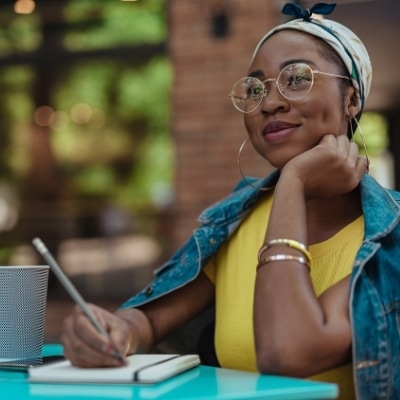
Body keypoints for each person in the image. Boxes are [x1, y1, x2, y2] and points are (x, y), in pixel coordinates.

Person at [60, 3, 400, 399]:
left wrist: (292, 183)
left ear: (352, 100)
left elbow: (287, 352)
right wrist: (111, 333)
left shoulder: (391, 238)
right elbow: (145, 325)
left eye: (296, 78)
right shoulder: (236, 220)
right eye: (255, 88)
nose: (269, 102)